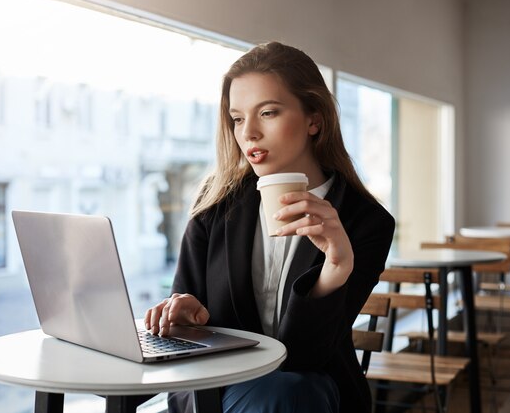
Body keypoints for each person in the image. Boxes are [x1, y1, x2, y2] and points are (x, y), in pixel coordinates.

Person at [145, 41, 395, 413]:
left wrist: (335, 270)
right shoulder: (214, 207)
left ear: (314, 120)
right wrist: (182, 312)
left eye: (268, 112)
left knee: (286, 391)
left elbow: (307, 356)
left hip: (307, 391)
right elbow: (181, 318)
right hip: (213, 384)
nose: (249, 134)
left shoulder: (365, 221)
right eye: (238, 118)